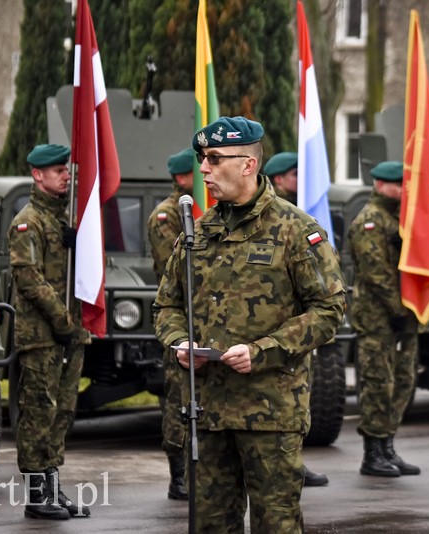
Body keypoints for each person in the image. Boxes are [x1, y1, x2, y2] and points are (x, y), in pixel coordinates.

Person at [153, 116, 345, 533]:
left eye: (213, 158)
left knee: (276, 525)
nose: (203, 168)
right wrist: (180, 342)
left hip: (269, 414)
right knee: (209, 525)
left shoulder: (295, 230)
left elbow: (329, 310)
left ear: (247, 165)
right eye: (202, 158)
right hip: (207, 413)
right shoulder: (197, 234)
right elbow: (166, 305)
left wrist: (263, 351)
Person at [8, 144, 91, 520]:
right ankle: (36, 494)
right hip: (42, 334)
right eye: (57, 170)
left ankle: (53, 485)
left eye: (66, 169)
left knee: (63, 412)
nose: (65, 175)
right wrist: (62, 322)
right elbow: (30, 279)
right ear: (37, 174)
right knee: (39, 411)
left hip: (68, 333)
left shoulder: (63, 220)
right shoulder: (28, 221)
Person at [263, 150, 330, 488]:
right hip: (270, 332)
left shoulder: (300, 218)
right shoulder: (274, 219)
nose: (302, 183)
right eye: (295, 176)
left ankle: (294, 461)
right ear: (278, 179)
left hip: (300, 325)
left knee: (295, 400)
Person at [349, 160, 420, 478]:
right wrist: (398, 309)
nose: (403, 189)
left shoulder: (401, 218)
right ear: (379, 185)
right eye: (396, 184)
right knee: (378, 383)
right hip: (378, 316)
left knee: (403, 381)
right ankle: (373, 452)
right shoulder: (371, 220)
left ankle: (388, 444)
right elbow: (374, 272)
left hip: (400, 315)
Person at [146, 147, 195, 501]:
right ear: (181, 178)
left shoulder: (203, 212)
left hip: (206, 318)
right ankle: (178, 475)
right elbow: (174, 271)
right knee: (179, 398)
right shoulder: (167, 217)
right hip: (180, 316)